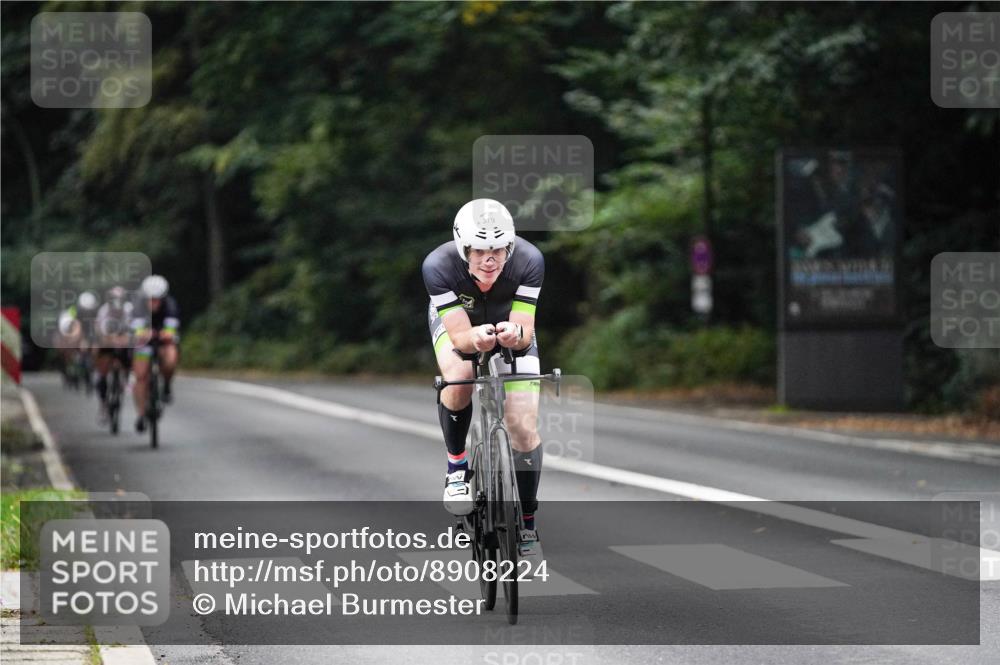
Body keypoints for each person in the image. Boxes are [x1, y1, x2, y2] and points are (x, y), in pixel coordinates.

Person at [421, 198, 545, 557]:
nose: (489, 261)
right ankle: (457, 468)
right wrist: (474, 340)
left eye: (498, 250)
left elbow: (525, 330)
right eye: (479, 251)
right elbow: (460, 339)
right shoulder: (438, 266)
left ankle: (527, 521)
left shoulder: (529, 260)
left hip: (509, 322)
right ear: (463, 247)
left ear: (510, 245)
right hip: (460, 320)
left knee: (522, 425)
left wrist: (514, 336)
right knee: (459, 376)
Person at [131, 275, 181, 432]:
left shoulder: (171, 305)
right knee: (140, 376)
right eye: (151, 299)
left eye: (158, 299)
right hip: (144, 341)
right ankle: (140, 414)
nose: (154, 303)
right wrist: (141, 333)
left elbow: (171, 329)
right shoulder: (137, 306)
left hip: (162, 338)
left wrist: (166, 333)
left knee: (171, 356)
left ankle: (166, 383)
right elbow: (137, 330)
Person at [94, 286, 134, 423]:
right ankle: (103, 405)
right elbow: (101, 332)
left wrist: (125, 340)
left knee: (132, 350)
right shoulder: (104, 311)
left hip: (124, 340)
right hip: (108, 340)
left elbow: (133, 332)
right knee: (102, 363)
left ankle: (128, 376)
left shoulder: (129, 310)